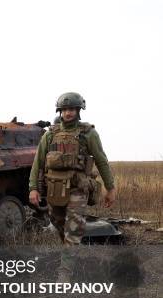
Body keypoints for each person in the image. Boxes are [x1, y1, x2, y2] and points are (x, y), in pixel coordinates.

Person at [28, 92, 116, 246]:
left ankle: (66, 269)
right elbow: (38, 162)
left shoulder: (89, 134)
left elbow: (101, 161)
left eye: (72, 109)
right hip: (54, 188)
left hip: (78, 188)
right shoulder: (50, 135)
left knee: (74, 230)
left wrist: (110, 188)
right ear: (60, 111)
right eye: (65, 109)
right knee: (58, 223)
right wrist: (33, 188)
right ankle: (70, 252)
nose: (68, 113)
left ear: (78, 110)